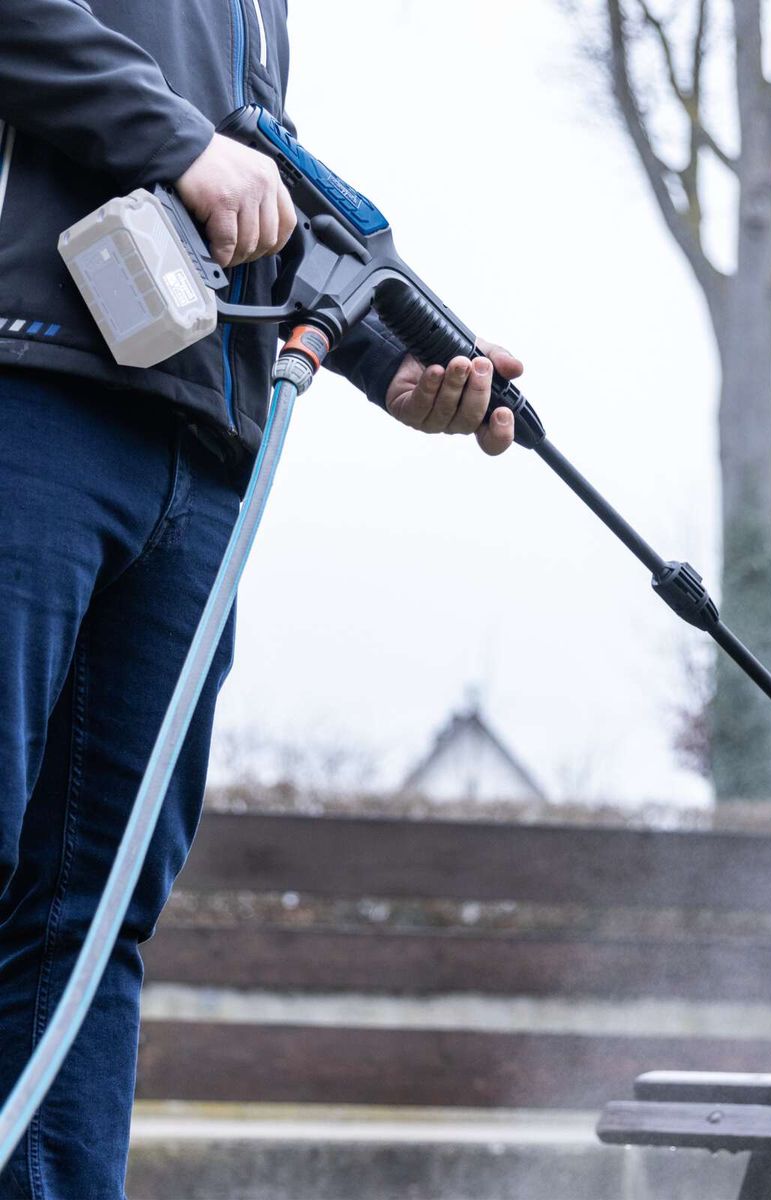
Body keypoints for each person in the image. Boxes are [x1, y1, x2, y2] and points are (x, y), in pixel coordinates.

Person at [0, 2, 519, 1194]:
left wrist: (401, 357)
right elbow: (193, 146)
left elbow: (254, 170)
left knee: (90, 919)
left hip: (197, 450)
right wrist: (173, 143)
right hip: (26, 389)